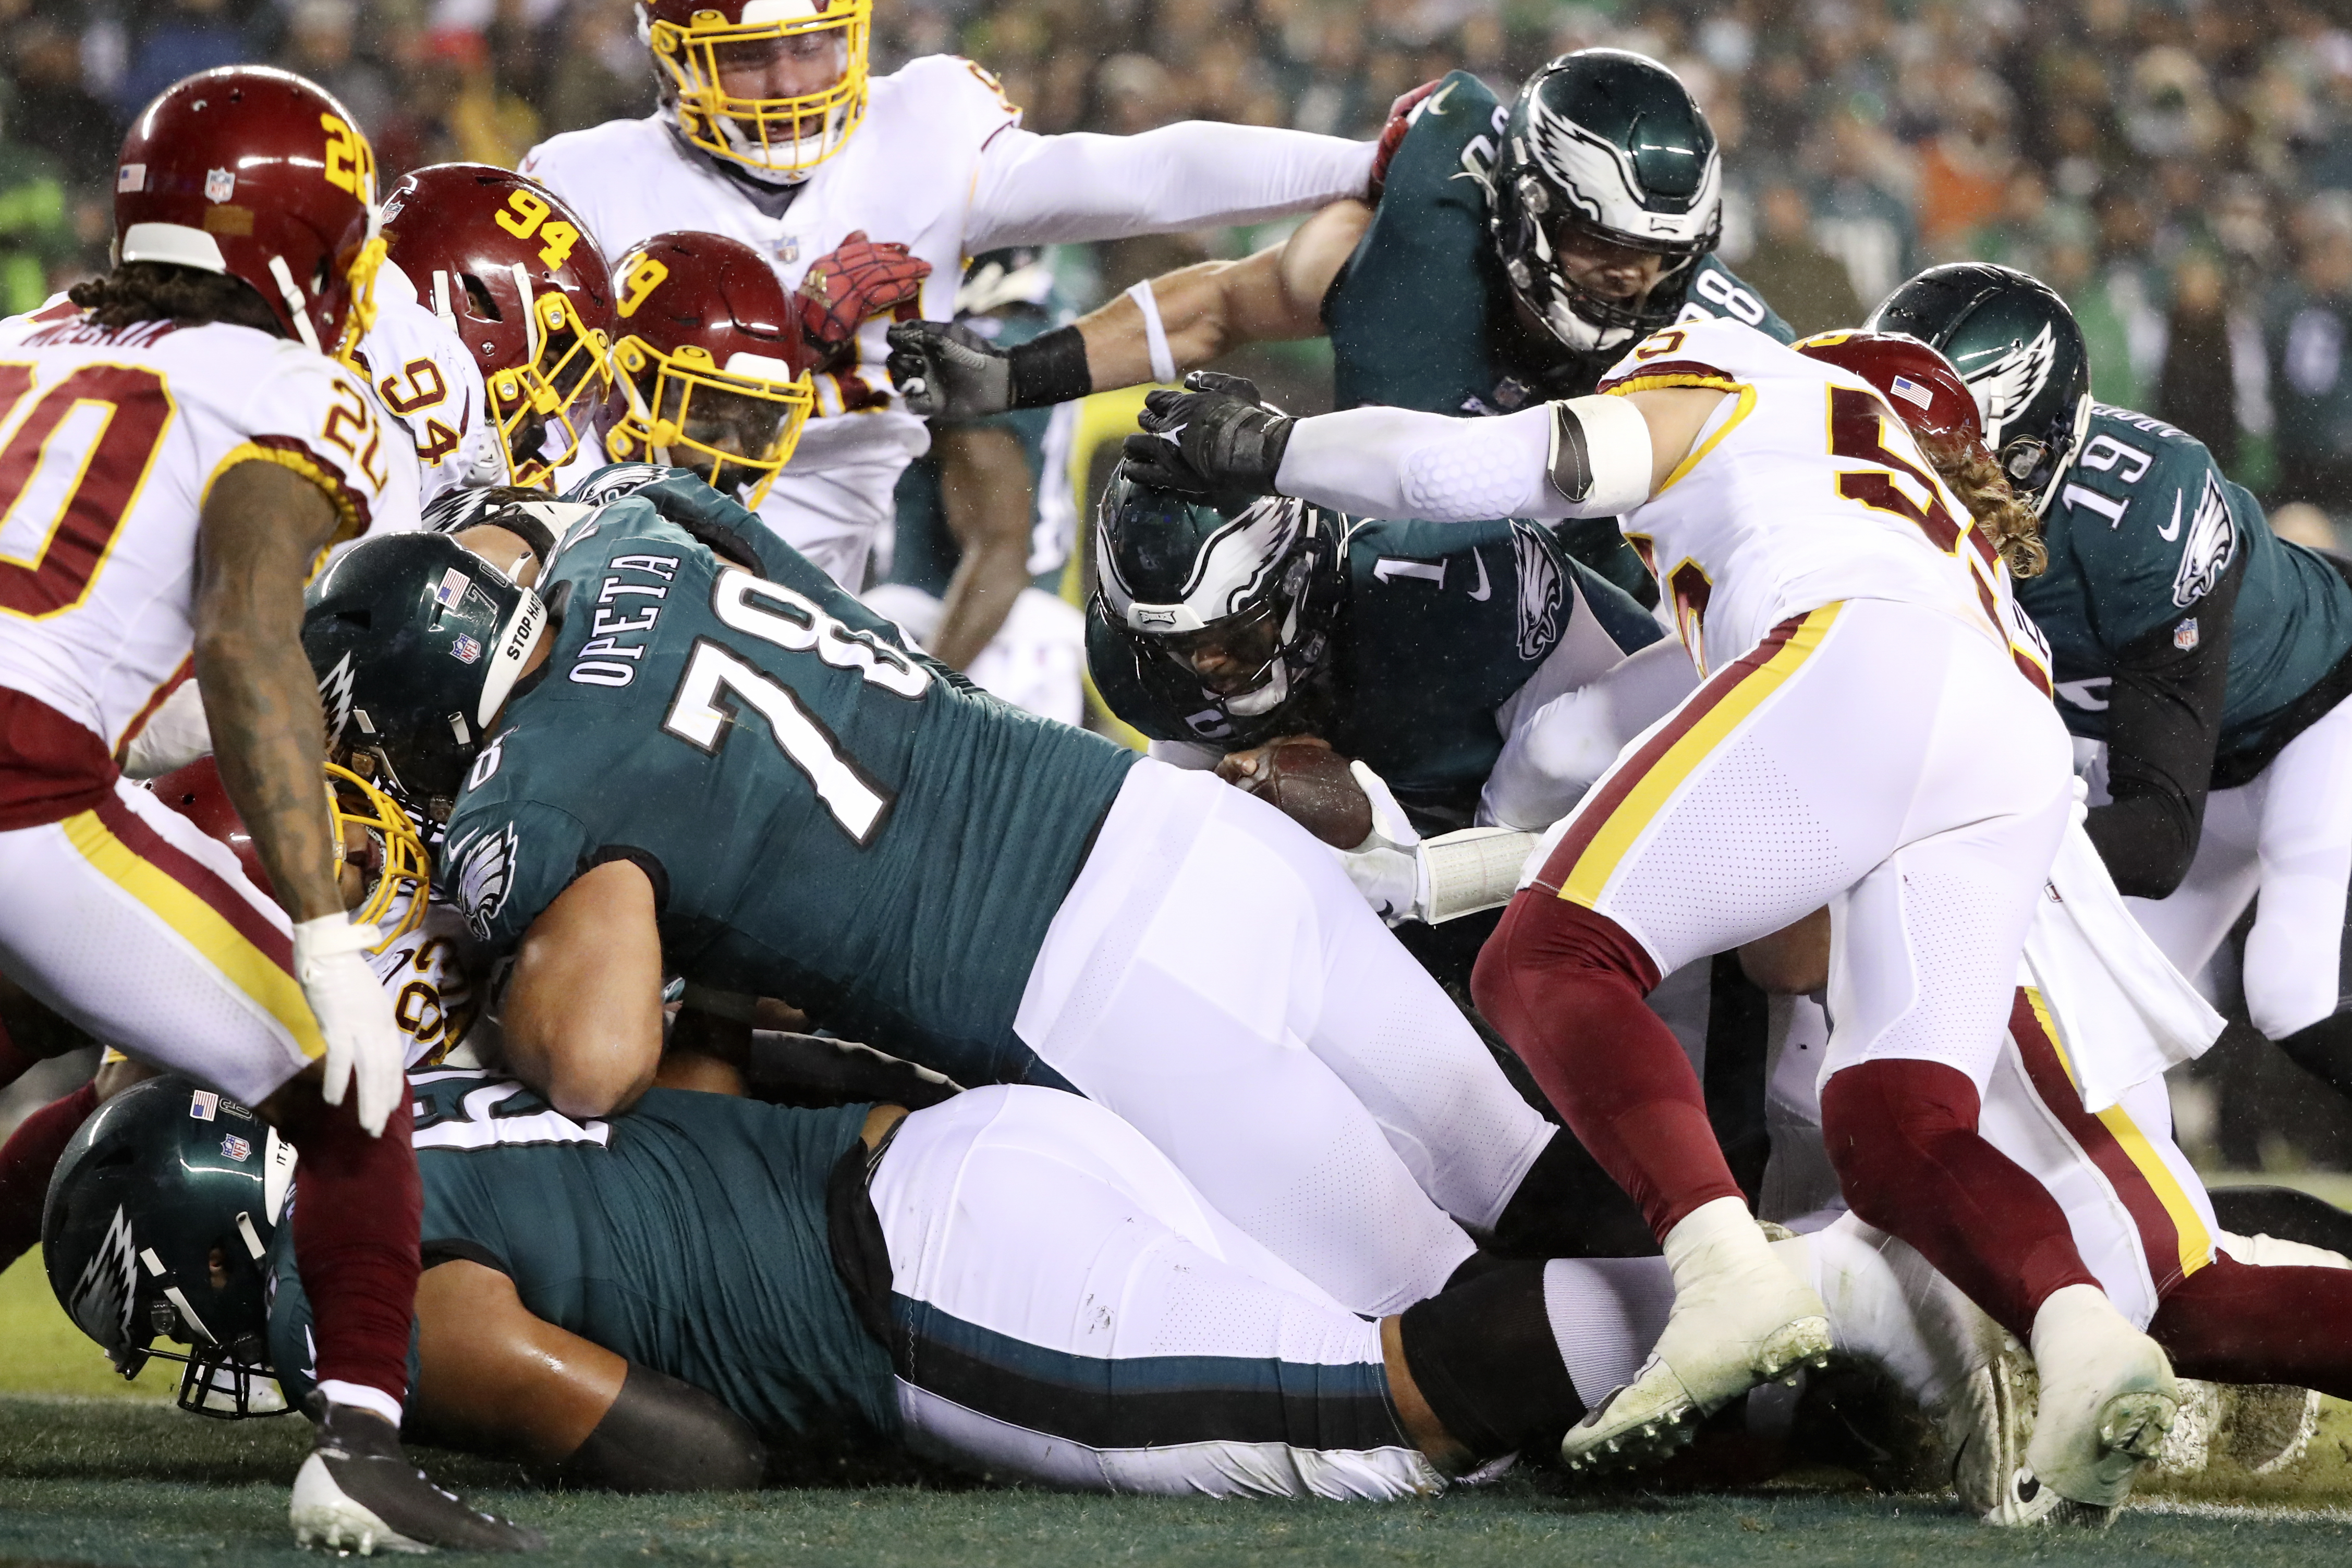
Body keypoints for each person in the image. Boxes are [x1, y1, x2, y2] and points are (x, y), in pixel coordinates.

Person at [1114, 317, 2193, 1518]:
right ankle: (2080, 1334)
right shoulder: (1898, 523)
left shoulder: (1715, 389)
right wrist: (1427, 876)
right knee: (1895, 1129)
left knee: (1545, 962)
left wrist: (1273, 444)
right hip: (2005, 741)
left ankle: (1725, 1267)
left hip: (1860, 676)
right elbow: (1597, 756)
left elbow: (1460, 473)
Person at [301, 467, 1649, 1322]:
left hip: (1098, 991)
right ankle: (1804, 1315)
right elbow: (755, 566)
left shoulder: (531, 799)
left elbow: (596, 1064)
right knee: (1531, 1172)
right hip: (1177, 830)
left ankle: (1782, 1402)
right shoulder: (623, 545)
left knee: (1441, 1321)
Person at [49, 1067, 2024, 1512]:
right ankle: (1832, 1381)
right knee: (1408, 1403)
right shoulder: (423, 1123)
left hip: (936, 1283)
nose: (194, 1348)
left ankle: (1842, 1287)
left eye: (173, 1304)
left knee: (1364, 1429)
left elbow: (684, 1447)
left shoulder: (373, 1279)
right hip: (957, 1157)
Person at [0, 66, 535, 1552]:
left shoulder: (16, 341)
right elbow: (247, 637)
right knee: (345, 1077)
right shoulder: (294, 388)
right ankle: (359, 1448)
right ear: (306, 243)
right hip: (25, 779)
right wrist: (323, 934)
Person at [516, 0, 1393, 591]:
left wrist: (1362, 160)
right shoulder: (583, 180)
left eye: (811, 45)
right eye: (750, 58)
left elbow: (1143, 171)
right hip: (638, 544)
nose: (788, 85)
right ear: (670, 59)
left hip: (859, 552)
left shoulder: (923, 125)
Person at [886, 48, 1794, 599]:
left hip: (1621, 646)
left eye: (1663, 256)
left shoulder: (1723, 350)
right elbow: (1221, 304)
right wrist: (1019, 376)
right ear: (1524, 204)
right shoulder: (1412, 244)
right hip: (1406, 626)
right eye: (1601, 241)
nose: (1634, 279)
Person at [1870, 265, 2352, 1107]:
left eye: (1939, 462)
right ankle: (2141, 1240)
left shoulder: (2139, 518)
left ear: (2025, 447)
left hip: (2316, 709)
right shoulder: (1913, 520)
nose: (1910, 490)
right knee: (2084, 1041)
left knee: (2290, 987)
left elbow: (2159, 837)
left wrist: (1937, 852)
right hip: (2190, 756)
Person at [870, 248, 1086, 722]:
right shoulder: (1046, 316)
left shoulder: (974, 344)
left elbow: (998, 550)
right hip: (1016, 638)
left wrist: (918, 700)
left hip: (966, 637)